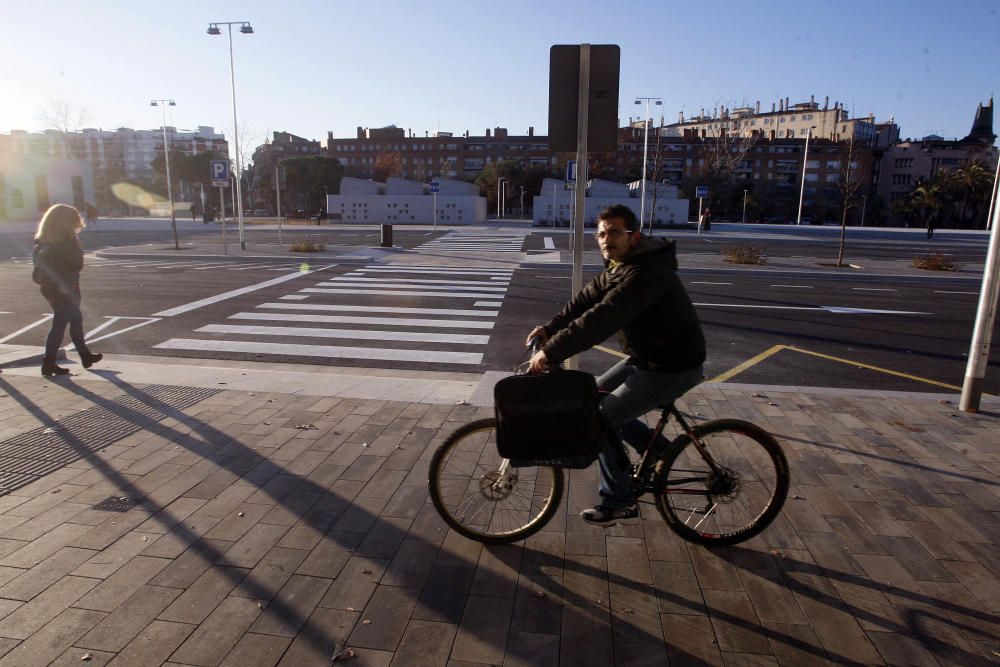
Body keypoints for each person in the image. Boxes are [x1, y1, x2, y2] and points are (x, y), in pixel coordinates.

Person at [526, 204, 705, 526]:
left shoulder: (647, 271)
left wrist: (551, 352)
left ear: (633, 236)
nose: (605, 239)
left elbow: (603, 318)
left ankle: (619, 500)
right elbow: (586, 300)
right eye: (601, 233)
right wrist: (550, 329)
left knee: (601, 419)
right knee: (592, 401)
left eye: (613, 232)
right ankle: (659, 450)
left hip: (673, 366)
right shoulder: (619, 265)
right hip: (648, 359)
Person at [32, 204, 102, 377]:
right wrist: (78, 247)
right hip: (66, 288)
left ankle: (85, 356)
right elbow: (76, 265)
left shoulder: (43, 242)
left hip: (50, 288)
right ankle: (48, 364)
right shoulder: (67, 242)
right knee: (59, 325)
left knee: (75, 318)